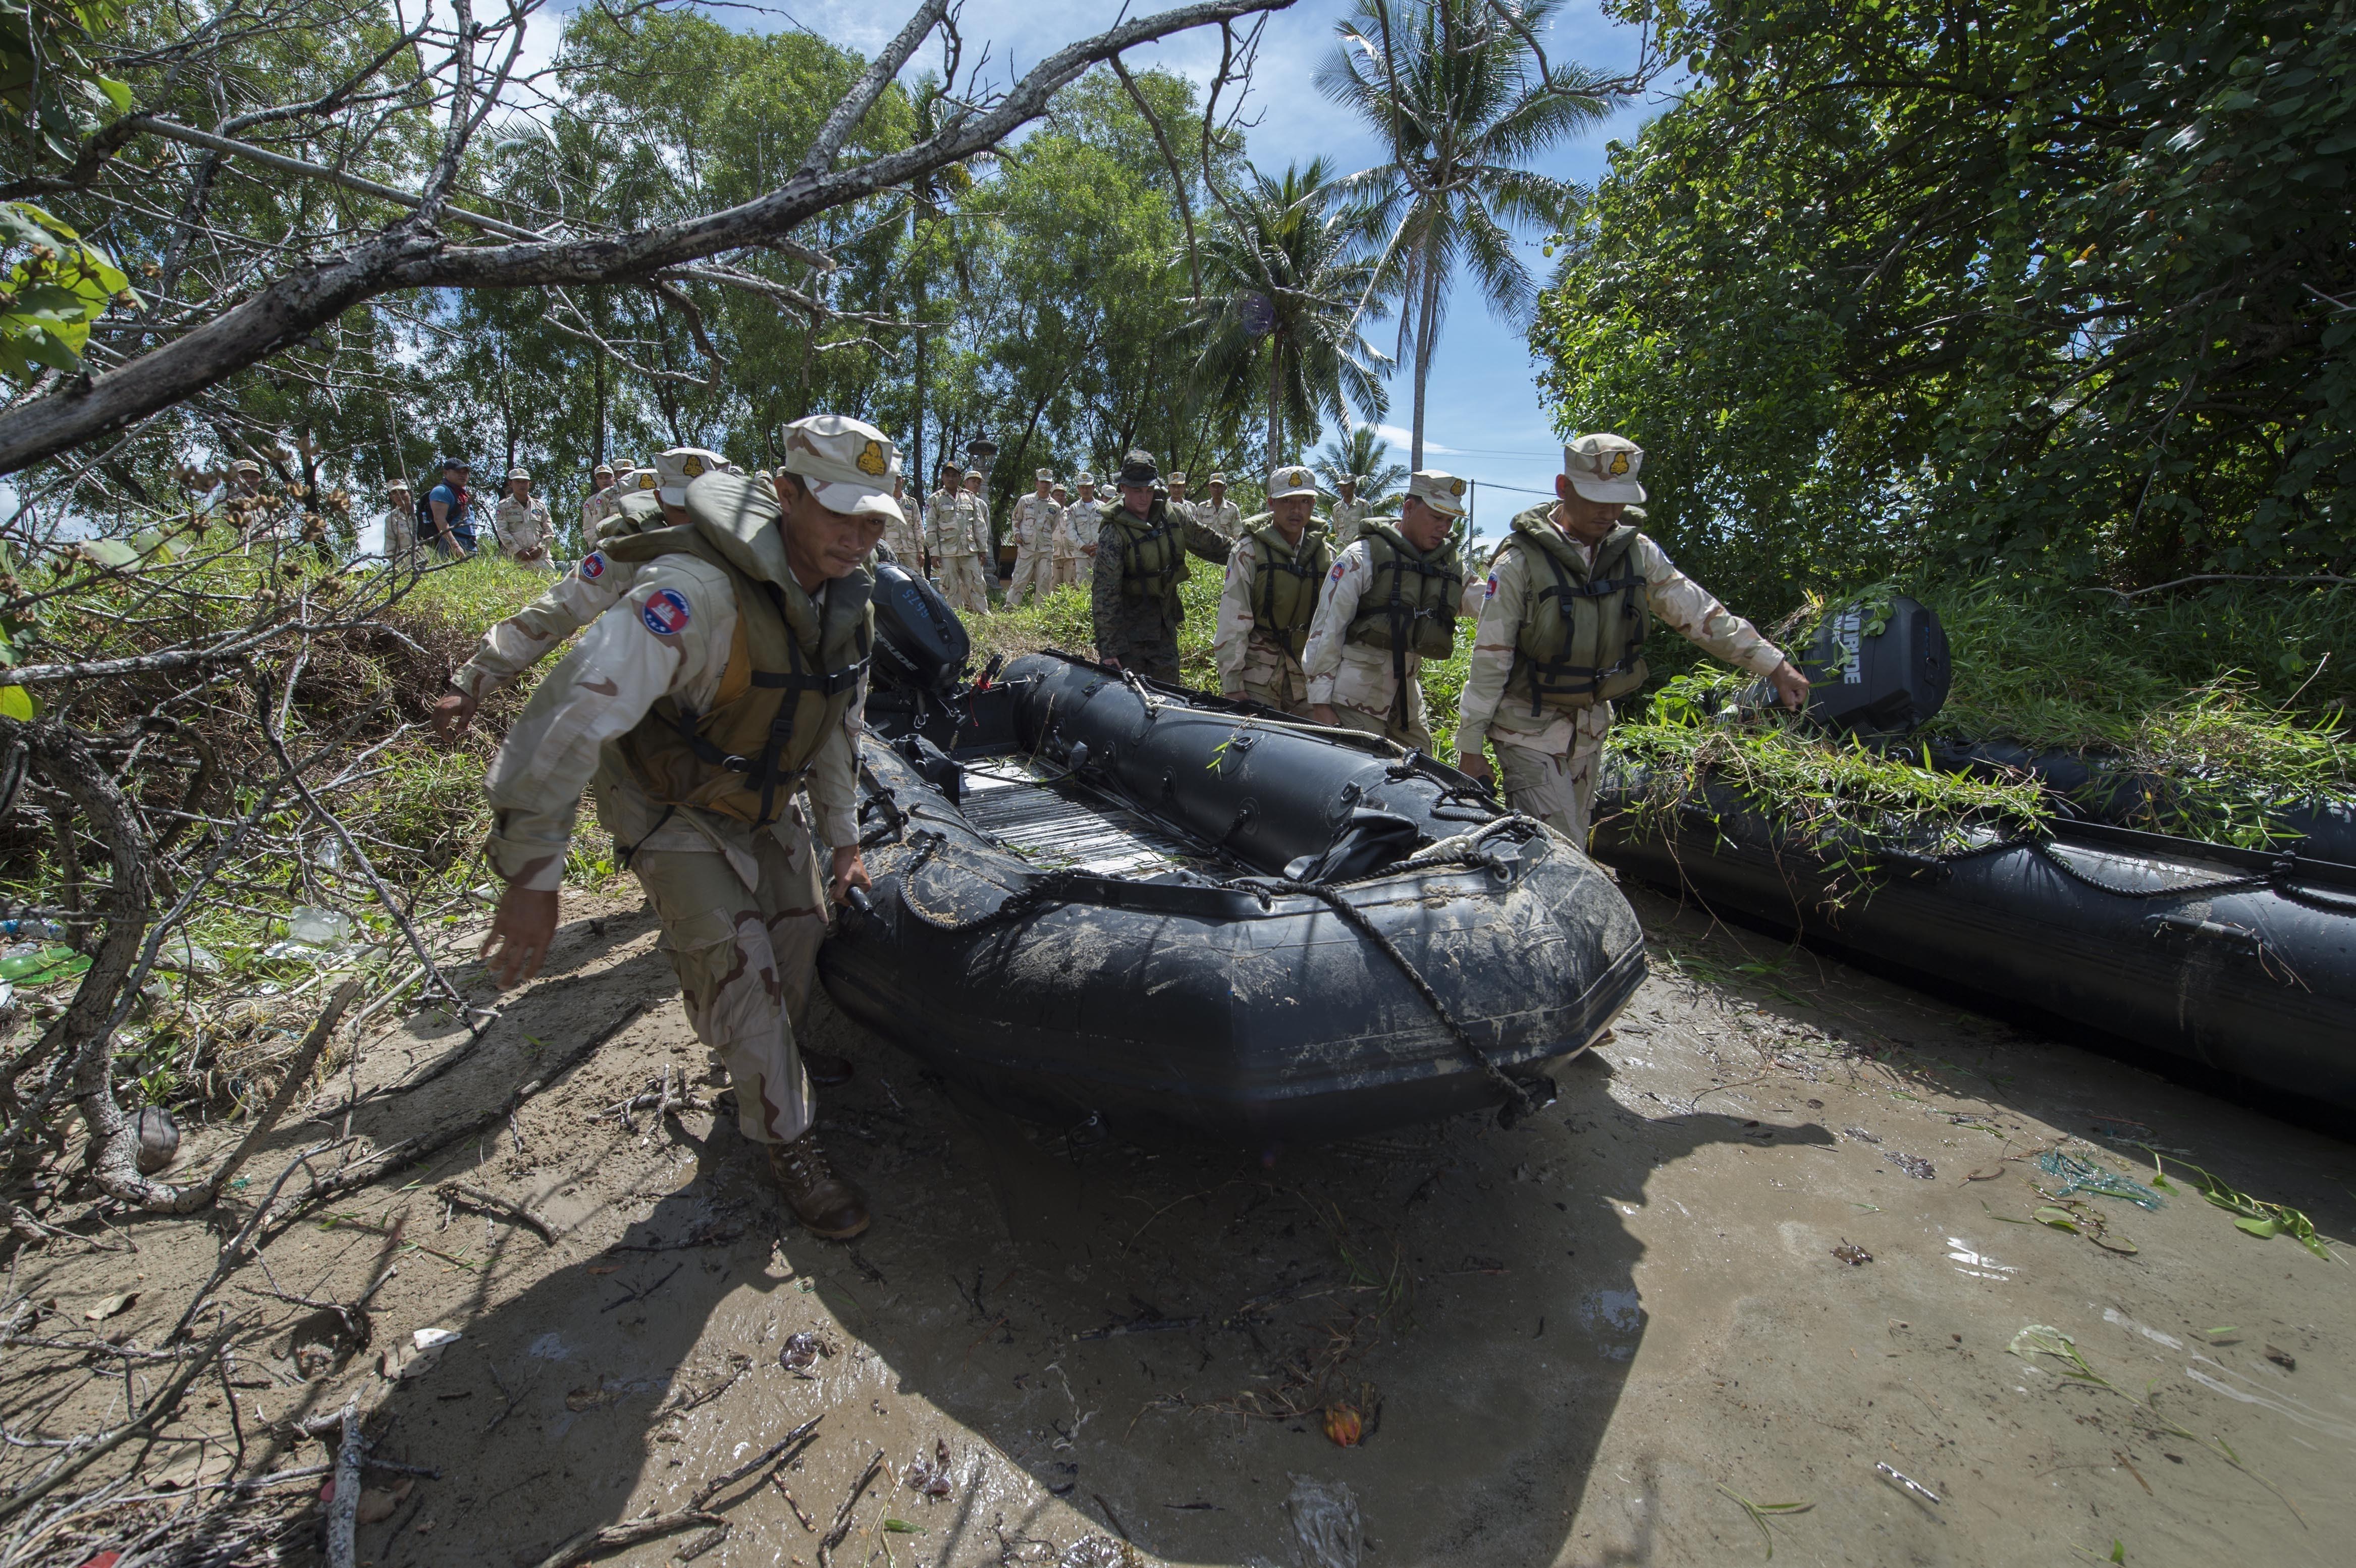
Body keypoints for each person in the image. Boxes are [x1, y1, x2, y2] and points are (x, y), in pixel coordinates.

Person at [479, 415, 895, 1239]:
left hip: (763, 795)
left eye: (874, 516)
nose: (859, 536)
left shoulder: (849, 602)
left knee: (799, 932)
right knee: (734, 961)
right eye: (841, 512)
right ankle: (788, 1139)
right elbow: (568, 720)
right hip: (668, 800)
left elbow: (835, 727)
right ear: (784, 494)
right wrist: (532, 876)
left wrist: (843, 839)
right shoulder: (692, 592)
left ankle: (761, 1062)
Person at [1455, 434, 1809, 845]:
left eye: (1619, 499)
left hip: (1589, 732)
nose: (1609, 512)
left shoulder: (1637, 554)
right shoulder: (1519, 563)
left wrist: (1774, 665)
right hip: (1525, 732)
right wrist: (1470, 747)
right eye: (1596, 498)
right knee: (1559, 851)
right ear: (1563, 487)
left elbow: (1699, 614)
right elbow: (1490, 659)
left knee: (1568, 846)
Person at [432, 448, 712, 739]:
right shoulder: (627, 556)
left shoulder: (748, 551)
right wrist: (472, 682)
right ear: (660, 500)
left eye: (702, 507)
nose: (691, 521)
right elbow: (555, 612)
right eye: (681, 509)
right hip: (659, 718)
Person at [1303, 470, 1468, 750]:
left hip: (1406, 702)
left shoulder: (1445, 566)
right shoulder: (1361, 557)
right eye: (1437, 517)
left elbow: (1487, 599)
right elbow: (1327, 630)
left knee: (1424, 775)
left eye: (1450, 521)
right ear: (1409, 508)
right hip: (1355, 699)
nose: (1444, 528)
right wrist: (1320, 703)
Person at [1090, 450, 1230, 683]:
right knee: (1131, 702)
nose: (1144, 498)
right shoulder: (1113, 533)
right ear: (1123, 488)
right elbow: (1105, 595)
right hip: (1129, 633)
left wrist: (1245, 554)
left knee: (1170, 693)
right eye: (1137, 491)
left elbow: (1206, 540)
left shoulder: (1171, 515)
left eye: (1149, 490)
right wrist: (1109, 650)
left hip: (1164, 625)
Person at [1213, 464, 1332, 715]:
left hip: (1307, 673)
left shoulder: (1327, 556)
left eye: (1304, 501)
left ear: (1313, 505)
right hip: (1259, 672)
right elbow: (1233, 619)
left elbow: (1334, 624)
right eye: (1287, 501)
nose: (1296, 510)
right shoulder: (1249, 551)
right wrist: (1233, 683)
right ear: (1271, 503)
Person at [928, 467, 992, 617]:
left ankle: (983, 614)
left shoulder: (970, 497)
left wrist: (983, 549)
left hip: (969, 550)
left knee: (977, 583)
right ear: (943, 478)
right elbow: (931, 528)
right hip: (947, 552)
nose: (951, 479)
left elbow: (979, 525)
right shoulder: (935, 499)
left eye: (954, 476)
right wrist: (934, 553)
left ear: (959, 478)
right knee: (951, 587)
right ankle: (957, 618)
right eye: (948, 476)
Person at [1005, 468, 1061, 608]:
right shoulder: (1025, 501)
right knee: (1019, 579)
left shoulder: (1055, 507)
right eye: (1042, 482)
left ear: (1051, 485)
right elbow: (1016, 519)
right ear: (1036, 483)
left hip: (1045, 548)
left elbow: (1053, 527)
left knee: (1044, 581)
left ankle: (1040, 613)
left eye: (1048, 483)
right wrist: (1017, 534)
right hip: (1027, 547)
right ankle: (1010, 609)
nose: (1045, 485)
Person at [492, 468, 558, 571]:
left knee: (550, 586)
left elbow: (549, 531)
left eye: (525, 482)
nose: (521, 485)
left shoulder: (540, 506)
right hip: (517, 560)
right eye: (517, 482)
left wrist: (541, 548)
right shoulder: (504, 506)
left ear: (529, 484)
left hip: (542, 559)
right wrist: (517, 551)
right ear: (510, 484)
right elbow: (503, 531)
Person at [425, 458, 476, 557]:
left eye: (465, 472)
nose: (463, 475)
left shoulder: (464, 494)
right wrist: (455, 545)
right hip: (452, 544)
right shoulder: (442, 491)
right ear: (446, 473)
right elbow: (439, 519)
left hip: (470, 544)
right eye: (458, 472)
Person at [1060, 471, 1101, 588]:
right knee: (1084, 587)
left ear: (1094, 487)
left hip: (1100, 554)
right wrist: (1084, 547)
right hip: (1082, 555)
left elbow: (1107, 530)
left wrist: (1101, 546)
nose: (1086, 490)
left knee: (1102, 586)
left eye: (1088, 487)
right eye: (1083, 487)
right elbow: (1070, 532)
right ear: (1078, 489)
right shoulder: (1073, 509)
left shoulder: (1103, 507)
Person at [884, 473, 925, 569]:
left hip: (911, 551)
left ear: (902, 481)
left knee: (918, 580)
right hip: (891, 550)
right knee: (891, 580)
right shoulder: (884, 503)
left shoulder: (911, 503)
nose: (895, 482)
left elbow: (918, 527)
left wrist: (921, 551)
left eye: (897, 479)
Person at [580, 463, 619, 551]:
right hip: (604, 545)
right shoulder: (591, 502)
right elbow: (588, 528)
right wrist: (596, 546)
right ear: (597, 481)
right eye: (600, 478)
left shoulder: (624, 494)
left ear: (614, 478)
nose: (604, 481)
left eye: (607, 477)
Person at [1196, 471, 1244, 542]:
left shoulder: (1233, 509)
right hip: (1206, 550)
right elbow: (1197, 533)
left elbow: (1238, 534)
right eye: (1213, 486)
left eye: (1220, 486)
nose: (1216, 489)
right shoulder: (1202, 508)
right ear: (1209, 488)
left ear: (1225, 488)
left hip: (1226, 550)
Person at [1328, 473, 1371, 551]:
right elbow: (1337, 530)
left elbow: (1370, 528)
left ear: (1354, 486)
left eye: (1346, 485)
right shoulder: (1336, 508)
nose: (1343, 489)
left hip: (1359, 548)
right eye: (1341, 486)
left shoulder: (1363, 505)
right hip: (1341, 549)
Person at [381, 478, 419, 561]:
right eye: (395, 493)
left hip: (429, 558)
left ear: (410, 493)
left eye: (403, 492)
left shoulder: (422, 511)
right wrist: (399, 567)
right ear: (391, 497)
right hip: (406, 563)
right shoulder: (391, 519)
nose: (399, 496)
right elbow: (390, 546)